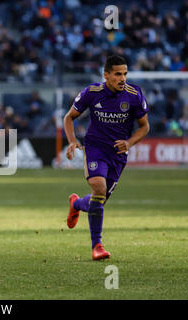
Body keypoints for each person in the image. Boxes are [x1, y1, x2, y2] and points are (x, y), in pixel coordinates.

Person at [64, 55, 150, 260]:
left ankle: (76, 204)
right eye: (118, 74)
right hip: (95, 148)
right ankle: (97, 246)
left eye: (125, 74)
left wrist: (129, 143)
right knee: (99, 189)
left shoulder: (134, 94)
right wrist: (72, 140)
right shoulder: (92, 92)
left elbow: (145, 126)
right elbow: (69, 117)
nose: (123, 78)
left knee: (98, 201)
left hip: (118, 155)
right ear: (106, 75)